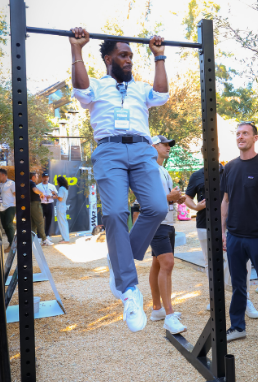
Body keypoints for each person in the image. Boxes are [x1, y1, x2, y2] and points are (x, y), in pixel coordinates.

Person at [70, 27, 169, 333]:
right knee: (115, 213)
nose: (129, 60)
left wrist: (159, 56)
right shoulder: (97, 86)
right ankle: (128, 290)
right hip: (109, 149)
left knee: (157, 207)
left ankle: (119, 256)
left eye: (130, 56)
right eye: (123, 55)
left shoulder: (140, 88)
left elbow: (162, 95)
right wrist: (77, 49)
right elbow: (80, 90)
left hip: (141, 149)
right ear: (108, 58)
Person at [221, 121, 258, 355]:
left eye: (245, 133)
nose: (240, 137)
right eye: (238, 134)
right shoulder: (230, 167)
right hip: (235, 236)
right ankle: (238, 327)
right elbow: (225, 201)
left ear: (255, 138)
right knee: (237, 286)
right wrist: (224, 233)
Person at [185, 150, 258, 318]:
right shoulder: (196, 175)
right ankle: (215, 297)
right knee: (209, 262)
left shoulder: (230, 171)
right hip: (205, 225)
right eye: (206, 151)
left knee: (242, 262)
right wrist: (196, 207)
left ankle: (245, 298)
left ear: (218, 153)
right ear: (202, 153)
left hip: (231, 225)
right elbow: (188, 197)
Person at [149, 135, 187, 334]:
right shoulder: (147, 168)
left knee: (157, 262)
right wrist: (168, 197)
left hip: (167, 222)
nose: (168, 147)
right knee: (168, 263)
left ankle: (157, 310)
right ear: (153, 146)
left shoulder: (163, 170)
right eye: (164, 144)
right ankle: (169, 316)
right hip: (155, 223)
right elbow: (145, 199)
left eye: (169, 144)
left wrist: (175, 199)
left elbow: (163, 199)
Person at [29, 172, 53, 246]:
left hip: (30, 204)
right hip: (35, 204)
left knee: (33, 224)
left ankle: (31, 240)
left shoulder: (27, 183)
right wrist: (41, 193)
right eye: (36, 176)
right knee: (40, 222)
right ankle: (44, 239)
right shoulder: (32, 183)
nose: (37, 178)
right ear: (33, 177)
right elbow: (35, 190)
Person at [36, 172, 57, 240]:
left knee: (49, 220)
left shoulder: (52, 186)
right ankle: (39, 236)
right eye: (44, 177)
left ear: (48, 178)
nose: (46, 178)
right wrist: (39, 196)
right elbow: (35, 196)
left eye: (47, 177)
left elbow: (56, 195)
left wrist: (50, 196)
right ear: (42, 178)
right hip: (41, 205)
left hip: (49, 204)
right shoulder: (38, 186)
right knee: (40, 221)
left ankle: (47, 235)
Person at [0, 169, 16, 253]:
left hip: (10, 206)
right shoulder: (0, 184)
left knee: (8, 225)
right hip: (1, 207)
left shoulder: (11, 183)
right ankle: (12, 243)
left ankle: (13, 245)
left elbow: (16, 195)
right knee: (5, 226)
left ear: (3, 175)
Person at [53, 176, 70, 244]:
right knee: (63, 223)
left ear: (60, 182)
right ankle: (65, 238)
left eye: (57, 181)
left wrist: (54, 195)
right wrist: (55, 194)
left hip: (61, 206)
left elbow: (60, 198)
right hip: (62, 206)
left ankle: (66, 239)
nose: (57, 182)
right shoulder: (64, 188)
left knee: (62, 223)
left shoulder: (61, 188)